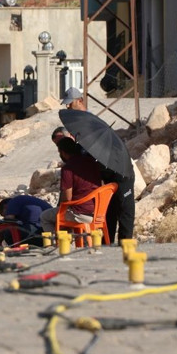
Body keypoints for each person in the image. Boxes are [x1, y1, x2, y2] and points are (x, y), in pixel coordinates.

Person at [59, 87, 136, 242]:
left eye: (70, 103)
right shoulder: (81, 124)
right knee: (109, 210)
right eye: (66, 104)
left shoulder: (89, 122)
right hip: (107, 175)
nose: (68, 107)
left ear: (80, 101)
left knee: (124, 210)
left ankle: (125, 244)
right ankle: (108, 244)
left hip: (120, 172)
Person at [40, 137, 103, 233]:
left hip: (80, 213)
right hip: (99, 212)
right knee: (63, 213)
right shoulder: (92, 163)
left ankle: (58, 244)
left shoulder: (68, 169)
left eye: (59, 152)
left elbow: (67, 198)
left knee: (45, 217)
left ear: (63, 152)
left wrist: (60, 205)